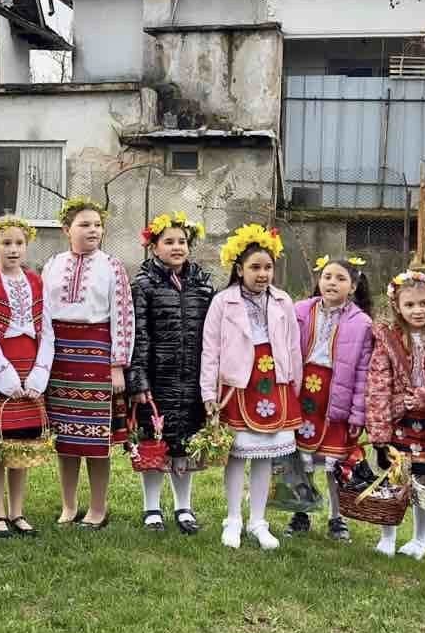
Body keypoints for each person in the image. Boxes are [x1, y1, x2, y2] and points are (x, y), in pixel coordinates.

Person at [201, 225, 301, 550]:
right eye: (255, 267)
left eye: (268, 267)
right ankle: (233, 518)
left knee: (264, 455)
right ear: (239, 269)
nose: (262, 274)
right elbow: (210, 349)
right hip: (238, 384)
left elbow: (293, 347)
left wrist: (294, 385)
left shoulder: (283, 301)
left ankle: (258, 520)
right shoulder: (223, 302)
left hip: (273, 383)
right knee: (236, 454)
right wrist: (209, 393)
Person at [41, 197, 133, 529]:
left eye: (97, 225)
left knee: (96, 439)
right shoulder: (52, 264)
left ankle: (97, 507)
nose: (93, 230)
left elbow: (123, 316)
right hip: (60, 356)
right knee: (65, 438)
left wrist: (117, 364)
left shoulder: (112, 266)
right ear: (67, 230)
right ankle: (69, 505)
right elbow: (43, 313)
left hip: (96, 355)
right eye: (84, 224)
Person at [364, 269, 425, 559]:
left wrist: (422, 397)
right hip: (398, 420)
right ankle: (388, 536)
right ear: (397, 306)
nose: (417, 310)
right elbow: (378, 382)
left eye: (423, 303)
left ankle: (420, 540)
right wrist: (379, 428)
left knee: (424, 480)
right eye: (409, 305)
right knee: (393, 478)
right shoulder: (388, 338)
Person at [128, 211, 214, 534]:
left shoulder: (203, 286)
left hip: (191, 377)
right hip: (157, 379)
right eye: (169, 242)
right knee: (155, 442)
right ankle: (151, 507)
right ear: (154, 247)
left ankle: (183, 506)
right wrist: (139, 380)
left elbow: (211, 336)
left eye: (182, 242)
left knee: (185, 443)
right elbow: (139, 335)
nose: (177, 247)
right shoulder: (144, 286)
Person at [0, 215, 53, 539]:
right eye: (6, 243)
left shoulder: (36, 281)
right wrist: (3, 376)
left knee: (22, 446)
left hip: (30, 367)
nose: (13, 249)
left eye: (19, 243)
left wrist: (38, 375)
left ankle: (17, 511)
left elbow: (47, 331)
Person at [292, 255, 375, 542]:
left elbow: (363, 373)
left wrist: (357, 414)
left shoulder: (362, 323)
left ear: (353, 286)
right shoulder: (300, 311)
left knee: (334, 461)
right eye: (327, 276)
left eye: (341, 278)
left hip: (337, 397)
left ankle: (337, 517)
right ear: (319, 280)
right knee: (301, 458)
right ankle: (300, 512)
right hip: (304, 394)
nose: (332, 283)